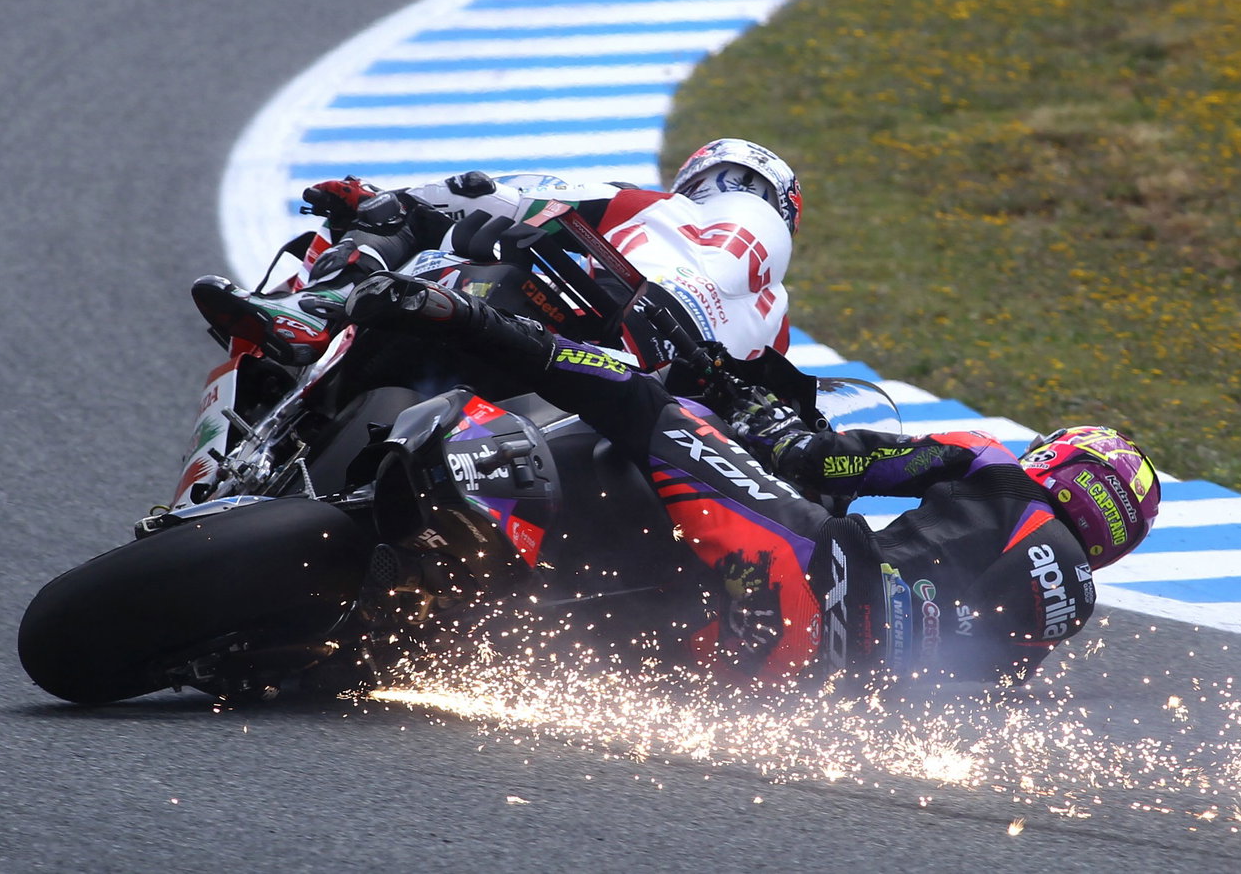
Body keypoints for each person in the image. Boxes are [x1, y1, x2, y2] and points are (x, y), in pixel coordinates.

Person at [339, 270, 1162, 685]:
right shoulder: (1064, 617)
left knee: (646, 405)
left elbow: (829, 463)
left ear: (1061, 461)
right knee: (608, 650)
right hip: (802, 678)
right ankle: (436, 635)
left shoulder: (994, 467)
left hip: (809, 573)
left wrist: (771, 426)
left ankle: (457, 318)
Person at [192, 138, 802, 368]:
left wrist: (379, 199)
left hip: (575, 312)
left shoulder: (650, 204)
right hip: (670, 400)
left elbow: (489, 192)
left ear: (696, 179)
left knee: (419, 219)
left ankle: (317, 314)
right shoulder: (777, 316)